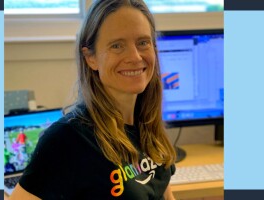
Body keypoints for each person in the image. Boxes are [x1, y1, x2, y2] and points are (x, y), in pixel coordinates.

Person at [9, 0, 176, 199]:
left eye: (143, 42)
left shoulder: (148, 128)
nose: (135, 56)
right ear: (91, 58)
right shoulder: (67, 139)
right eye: (117, 45)